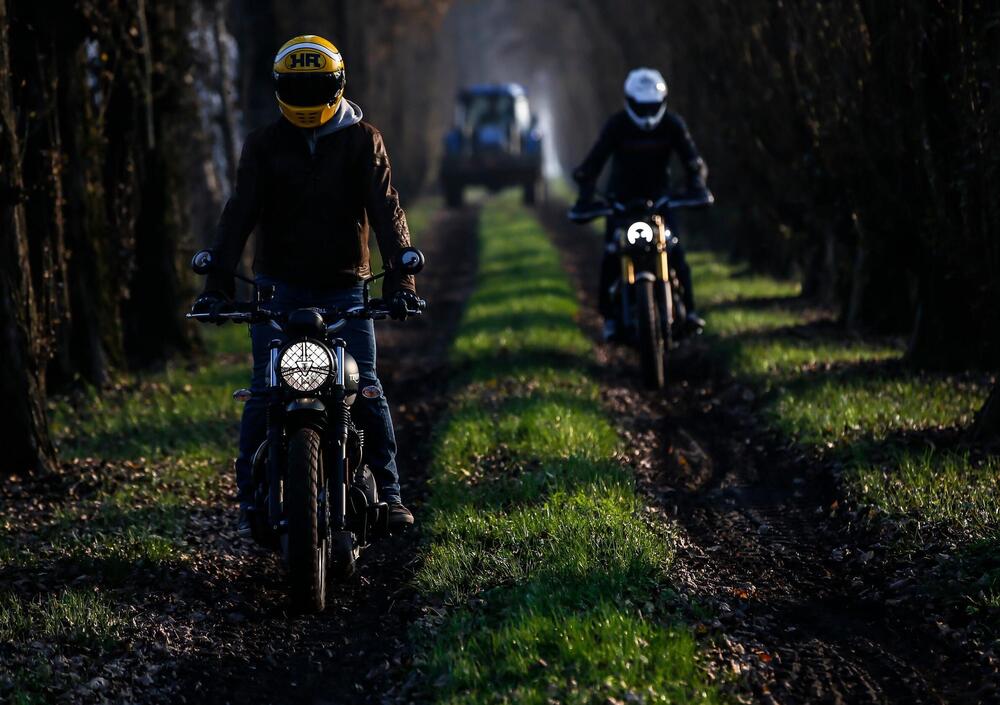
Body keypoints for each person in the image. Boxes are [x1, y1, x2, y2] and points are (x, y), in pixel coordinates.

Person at [192, 35, 419, 536]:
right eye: (298, 88)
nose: (308, 97)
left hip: (346, 288)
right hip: (276, 291)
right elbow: (239, 213)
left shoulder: (364, 140)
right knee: (264, 392)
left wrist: (401, 280)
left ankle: (390, 493)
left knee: (366, 390)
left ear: (338, 85)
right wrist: (216, 284)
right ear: (280, 89)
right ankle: (251, 503)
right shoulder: (263, 144)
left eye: (317, 87)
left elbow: (387, 210)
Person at [572, 68, 710, 340]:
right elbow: (593, 163)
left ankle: (690, 310)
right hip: (621, 201)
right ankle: (609, 318)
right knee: (612, 253)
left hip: (661, 200)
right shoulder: (617, 126)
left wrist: (697, 183)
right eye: (641, 106)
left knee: (675, 250)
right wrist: (585, 193)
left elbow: (692, 159)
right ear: (629, 101)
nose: (647, 113)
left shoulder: (673, 125)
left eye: (652, 106)